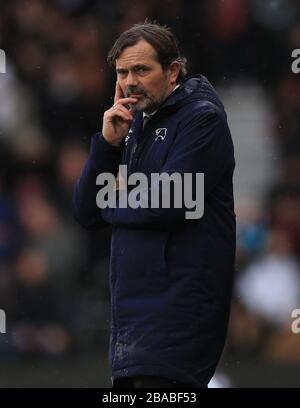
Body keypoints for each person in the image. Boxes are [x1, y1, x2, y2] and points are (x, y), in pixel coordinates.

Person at [73, 22, 236, 388]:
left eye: (141, 70)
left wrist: (113, 199)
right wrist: (107, 146)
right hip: (133, 318)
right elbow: (85, 212)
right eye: (122, 72)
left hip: (178, 311)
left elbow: (174, 199)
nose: (130, 81)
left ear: (173, 70)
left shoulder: (202, 119)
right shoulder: (133, 125)